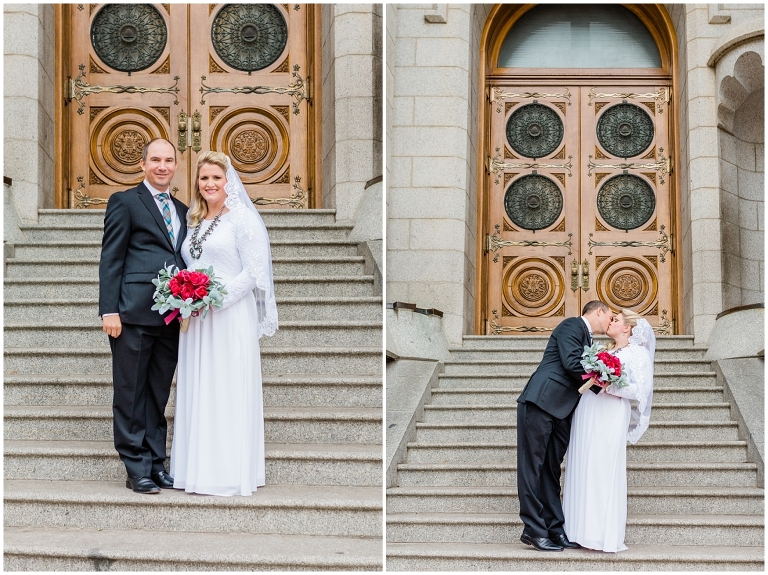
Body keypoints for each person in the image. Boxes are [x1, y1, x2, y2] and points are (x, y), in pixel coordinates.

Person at [170, 151, 278, 496]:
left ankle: (228, 472)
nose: (210, 184)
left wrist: (214, 299)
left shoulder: (243, 219)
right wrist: (188, 295)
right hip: (196, 320)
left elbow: (254, 272)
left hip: (229, 315)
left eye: (217, 177)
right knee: (199, 388)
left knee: (226, 389)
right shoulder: (193, 220)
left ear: (228, 181)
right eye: (204, 178)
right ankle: (196, 470)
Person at [99, 138, 188, 494]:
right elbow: (112, 258)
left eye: (168, 160)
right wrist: (110, 310)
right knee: (130, 392)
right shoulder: (124, 202)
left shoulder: (183, 209)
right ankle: (135, 467)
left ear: (176, 165)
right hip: (132, 314)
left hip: (171, 317)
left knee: (157, 393)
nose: (162, 166)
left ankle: (156, 462)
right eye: (155, 160)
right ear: (143, 164)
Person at [516, 300, 613, 551]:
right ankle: (533, 530)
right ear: (598, 311)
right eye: (609, 316)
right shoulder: (572, 325)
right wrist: (602, 382)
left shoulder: (589, 340)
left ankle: (555, 529)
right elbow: (571, 362)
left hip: (562, 410)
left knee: (551, 469)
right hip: (540, 402)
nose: (610, 322)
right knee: (532, 468)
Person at [563, 309, 655, 552]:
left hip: (611, 411)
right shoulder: (602, 350)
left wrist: (611, 386)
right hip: (588, 408)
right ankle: (576, 530)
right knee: (583, 463)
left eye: (615, 320)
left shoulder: (638, 354)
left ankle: (600, 534)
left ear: (627, 328)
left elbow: (639, 391)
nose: (610, 322)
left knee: (603, 467)